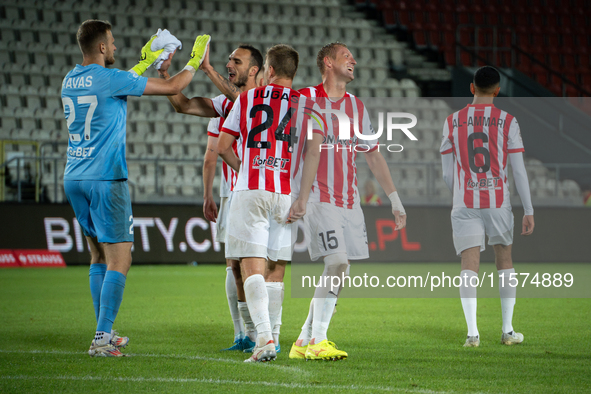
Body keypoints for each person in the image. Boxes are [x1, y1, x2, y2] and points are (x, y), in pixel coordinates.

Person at [61, 20, 210, 357]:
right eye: (111, 43)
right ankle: (101, 337)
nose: (115, 48)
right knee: (121, 259)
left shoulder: (71, 79)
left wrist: (145, 61)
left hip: (75, 177)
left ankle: (105, 329)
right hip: (105, 178)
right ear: (101, 47)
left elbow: (116, 85)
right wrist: (195, 60)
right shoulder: (109, 79)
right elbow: (174, 87)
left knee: (97, 254)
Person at [289, 42, 406, 361]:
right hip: (315, 197)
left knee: (340, 269)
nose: (353, 60)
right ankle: (318, 339)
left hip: (349, 200)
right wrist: (296, 195)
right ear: (328, 63)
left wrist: (394, 199)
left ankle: (303, 339)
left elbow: (373, 155)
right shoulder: (304, 99)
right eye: (345, 57)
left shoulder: (357, 106)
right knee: (337, 262)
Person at [217, 44, 322, 362]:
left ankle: (262, 338)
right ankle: (273, 338)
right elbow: (313, 152)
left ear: (270, 71)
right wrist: (302, 198)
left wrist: (246, 169)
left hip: (251, 190)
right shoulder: (308, 105)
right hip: (285, 194)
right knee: (276, 270)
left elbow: (222, 147)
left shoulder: (247, 99)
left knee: (251, 269)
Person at [158, 44, 266, 352]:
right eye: (228, 59)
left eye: (237, 60)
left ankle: (265, 331)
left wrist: (206, 69)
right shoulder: (226, 103)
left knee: (262, 267)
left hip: (262, 191)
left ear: (254, 69)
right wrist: (165, 76)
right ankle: (243, 333)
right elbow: (185, 105)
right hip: (233, 193)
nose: (229, 63)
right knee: (234, 265)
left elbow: (242, 101)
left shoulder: (264, 98)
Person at [439, 66, 535, 347]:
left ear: (471, 88)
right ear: (497, 90)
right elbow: (518, 171)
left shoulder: (452, 121)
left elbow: (446, 173)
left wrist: (459, 195)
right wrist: (528, 209)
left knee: (469, 265)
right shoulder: (508, 121)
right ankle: (507, 331)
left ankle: (472, 333)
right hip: (497, 202)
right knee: (504, 260)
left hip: (464, 202)